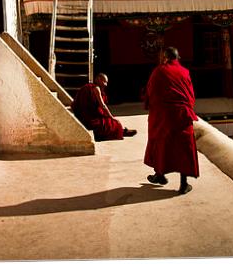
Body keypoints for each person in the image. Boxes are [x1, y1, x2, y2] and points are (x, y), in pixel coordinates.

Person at [144, 46, 199, 193]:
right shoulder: (185, 72)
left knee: (160, 142)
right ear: (177, 58)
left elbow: (150, 91)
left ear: (165, 58)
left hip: (162, 115)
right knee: (183, 147)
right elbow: (190, 96)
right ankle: (183, 184)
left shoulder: (159, 71)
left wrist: (152, 106)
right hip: (181, 115)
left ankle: (160, 175)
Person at [72, 73, 137, 141]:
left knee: (108, 121)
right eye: (105, 82)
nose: (106, 84)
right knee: (114, 123)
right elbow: (103, 105)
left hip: (82, 116)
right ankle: (122, 131)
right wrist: (112, 117)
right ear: (99, 80)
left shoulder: (86, 87)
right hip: (90, 118)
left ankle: (122, 131)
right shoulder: (96, 88)